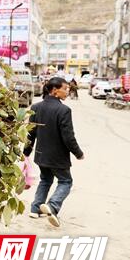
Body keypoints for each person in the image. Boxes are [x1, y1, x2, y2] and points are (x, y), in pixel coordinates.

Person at [24, 77, 84, 227]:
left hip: (41, 155)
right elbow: (68, 137)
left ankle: (35, 208)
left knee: (46, 180)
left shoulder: (36, 107)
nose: (68, 91)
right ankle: (53, 205)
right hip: (57, 157)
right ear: (55, 90)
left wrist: (26, 152)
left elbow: (31, 133)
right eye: (65, 88)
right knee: (65, 181)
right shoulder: (64, 110)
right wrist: (78, 153)